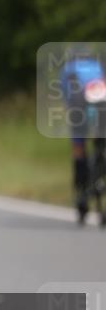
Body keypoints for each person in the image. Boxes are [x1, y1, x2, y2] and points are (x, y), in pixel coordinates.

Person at [61, 47, 106, 224]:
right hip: (101, 103)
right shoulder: (98, 65)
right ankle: (100, 161)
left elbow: (67, 97)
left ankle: (81, 188)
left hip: (79, 104)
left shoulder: (69, 68)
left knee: (79, 147)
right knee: (101, 141)